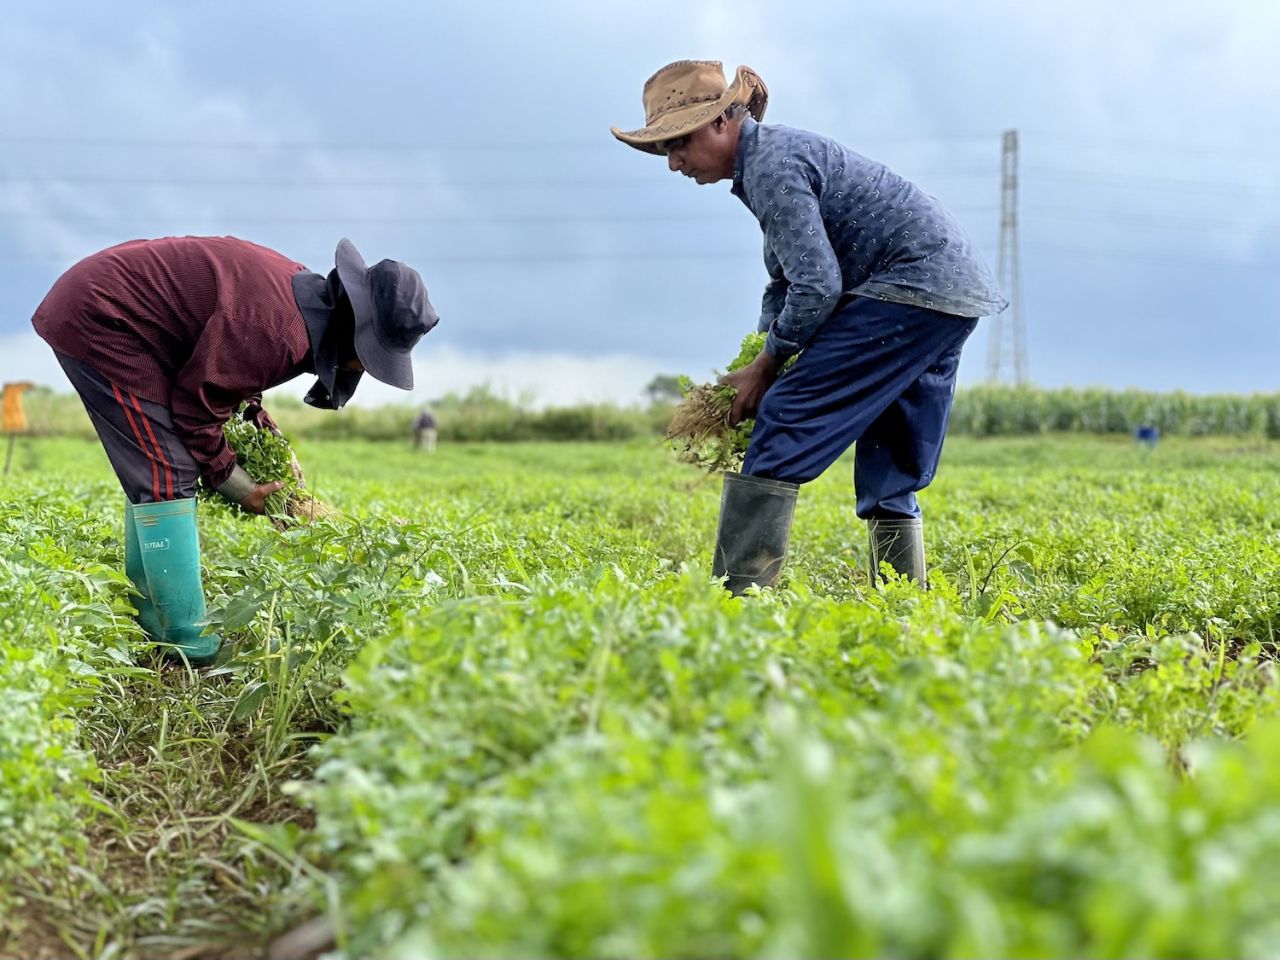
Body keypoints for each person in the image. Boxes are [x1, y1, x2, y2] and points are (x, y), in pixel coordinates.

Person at [612, 60, 1006, 591]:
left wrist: (768, 369)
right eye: (665, 150)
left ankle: (739, 600)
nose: (674, 162)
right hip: (952, 292)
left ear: (722, 122)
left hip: (909, 286)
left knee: (786, 416)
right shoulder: (771, 161)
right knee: (893, 444)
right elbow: (785, 282)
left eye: (679, 144)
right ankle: (904, 602)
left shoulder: (772, 167)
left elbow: (818, 286)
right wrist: (759, 355)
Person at [32, 236, 439, 664]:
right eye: (371, 355)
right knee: (167, 469)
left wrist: (270, 436)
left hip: (121, 310)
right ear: (356, 330)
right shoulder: (276, 329)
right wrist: (241, 487)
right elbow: (197, 409)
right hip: (103, 315)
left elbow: (235, 375)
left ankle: (149, 619)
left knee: (159, 470)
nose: (364, 367)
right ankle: (188, 642)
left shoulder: (303, 299)